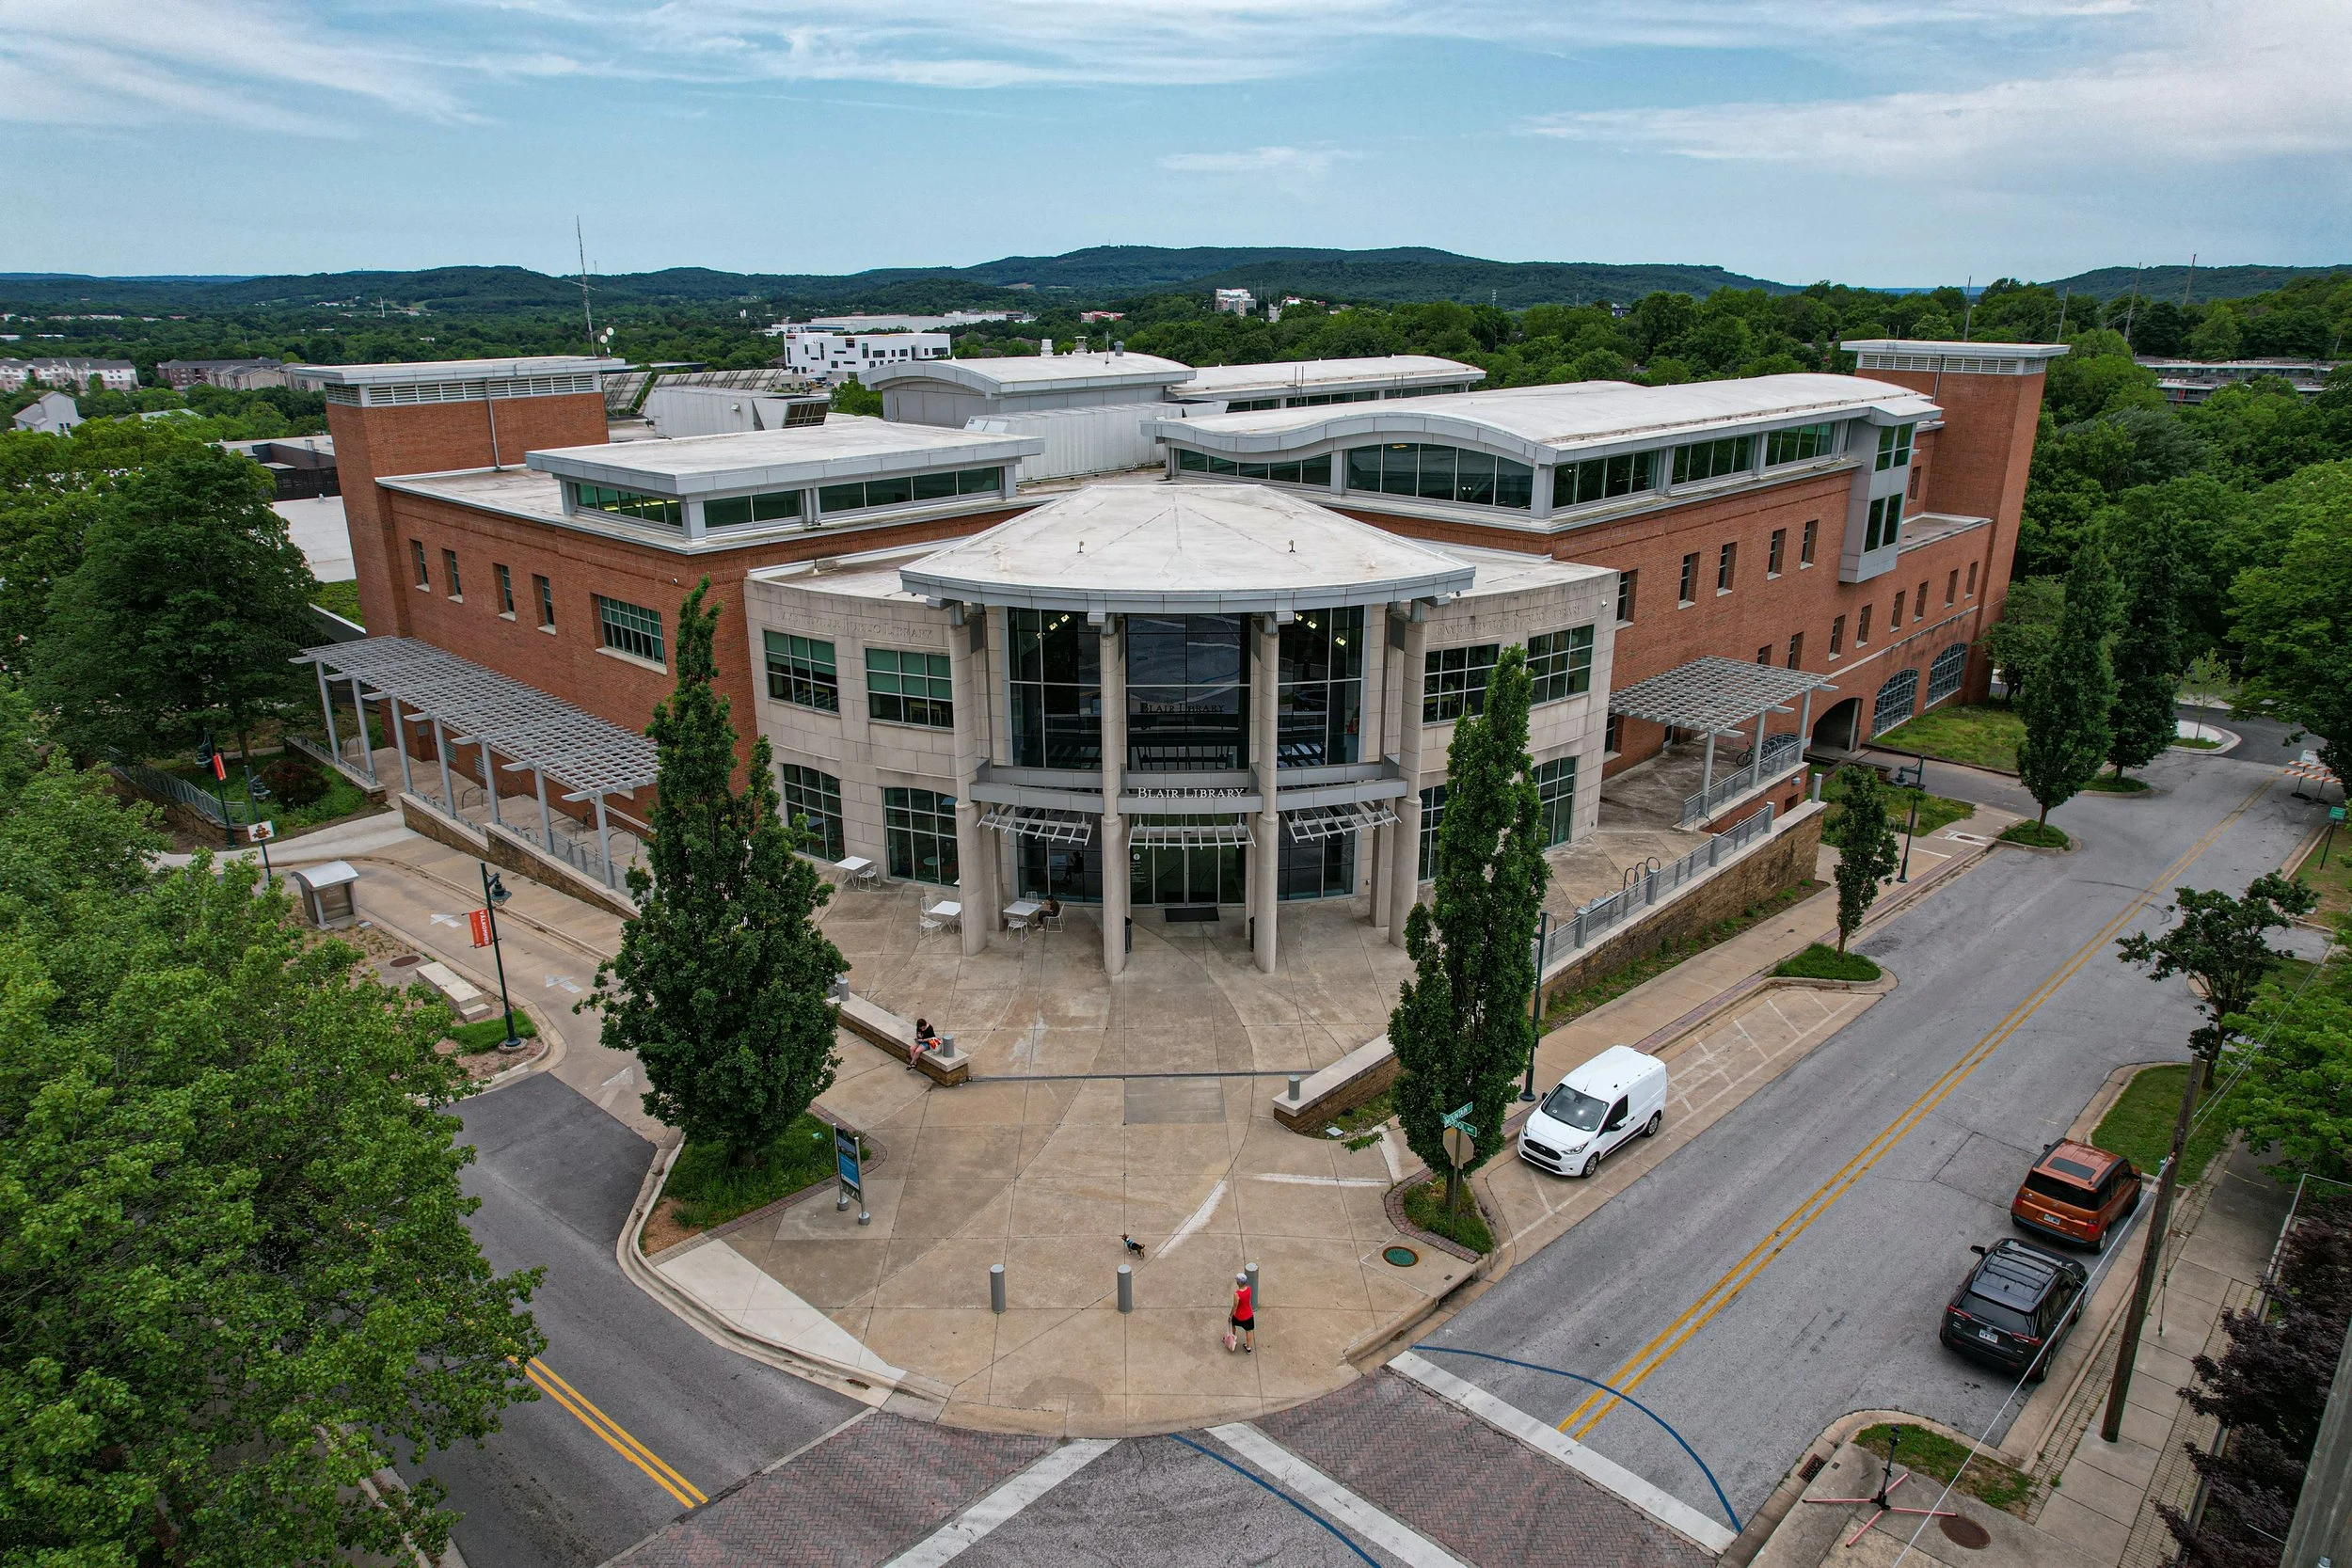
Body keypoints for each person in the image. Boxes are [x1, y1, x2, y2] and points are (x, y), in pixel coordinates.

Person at [1229, 1272, 1254, 1354]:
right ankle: (1249, 1348)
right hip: (1249, 1315)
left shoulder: (1237, 1294)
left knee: (1233, 1324)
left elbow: (1235, 1306)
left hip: (1239, 1315)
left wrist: (1230, 1316)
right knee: (1248, 1331)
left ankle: (1233, 1339)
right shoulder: (1249, 1289)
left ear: (1238, 1282)